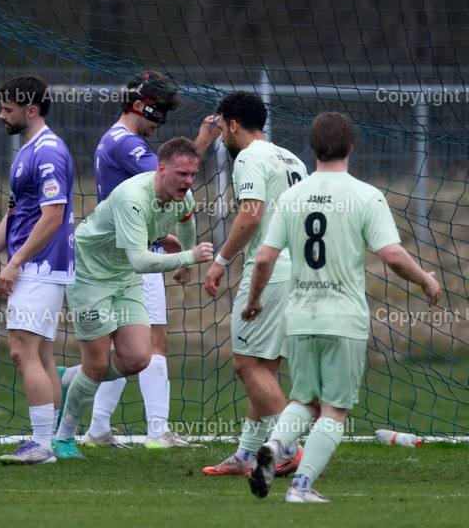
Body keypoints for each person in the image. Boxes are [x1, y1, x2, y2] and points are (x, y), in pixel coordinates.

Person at [244, 111, 441, 503]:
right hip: (343, 320)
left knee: (304, 401)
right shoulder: (366, 195)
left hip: (299, 319)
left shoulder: (291, 197)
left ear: (312, 146)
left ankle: (275, 445)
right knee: (334, 410)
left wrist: (253, 301)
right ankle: (301, 487)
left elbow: (264, 259)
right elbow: (392, 255)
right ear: (351, 146)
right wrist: (425, 279)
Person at [53, 137, 214, 459]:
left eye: (193, 174)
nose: (188, 181)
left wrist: (185, 259)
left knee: (138, 358)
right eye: (182, 174)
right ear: (161, 169)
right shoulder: (132, 198)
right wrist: (189, 257)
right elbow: (141, 261)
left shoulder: (183, 197)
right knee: (97, 364)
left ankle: (68, 377)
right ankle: (64, 438)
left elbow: (187, 220)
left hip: (123, 278)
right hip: (90, 275)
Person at [60, 70, 196, 449]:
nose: (159, 125)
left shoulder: (117, 140)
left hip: (131, 247)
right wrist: (202, 142)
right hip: (126, 257)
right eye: (157, 116)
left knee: (131, 350)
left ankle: (97, 424)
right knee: (153, 343)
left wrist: (166, 237)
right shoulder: (126, 144)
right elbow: (170, 178)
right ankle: (156, 432)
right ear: (139, 106)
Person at [0, 75, 74, 464]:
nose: (1, 115)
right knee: (41, 355)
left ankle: (42, 445)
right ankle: (51, 442)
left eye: (7, 109)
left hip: (40, 265)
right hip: (38, 264)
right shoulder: (27, 151)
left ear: (31, 110)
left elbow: (53, 215)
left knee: (21, 350)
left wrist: (14, 263)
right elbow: (16, 215)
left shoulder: (49, 151)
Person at [195, 91, 306, 476]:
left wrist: (220, 262)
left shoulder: (248, 157)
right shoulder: (292, 158)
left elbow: (251, 216)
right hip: (298, 273)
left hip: (271, 272)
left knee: (244, 364)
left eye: (222, 127)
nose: (222, 135)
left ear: (233, 125)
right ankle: (246, 454)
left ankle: (288, 447)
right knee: (263, 366)